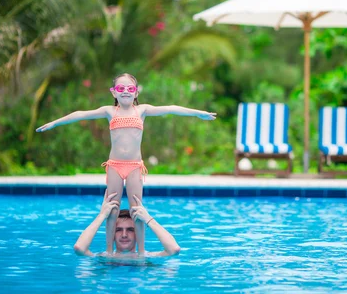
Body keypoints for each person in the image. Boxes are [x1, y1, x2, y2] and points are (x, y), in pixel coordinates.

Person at [37, 72, 215, 254]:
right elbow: (81, 114)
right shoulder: (109, 111)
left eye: (130, 89)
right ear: (113, 92)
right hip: (114, 165)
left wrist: (198, 114)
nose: (126, 92)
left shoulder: (142, 110)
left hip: (134, 167)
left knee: (137, 209)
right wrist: (54, 123)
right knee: (112, 209)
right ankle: (108, 250)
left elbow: (170, 108)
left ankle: (141, 251)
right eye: (121, 88)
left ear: (136, 93)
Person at [74, 191, 181, 257]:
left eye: (130, 230)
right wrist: (101, 215)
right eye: (118, 230)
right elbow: (79, 248)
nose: (124, 235)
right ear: (112, 233)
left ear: (137, 233)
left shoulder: (146, 256)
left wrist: (148, 219)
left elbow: (174, 250)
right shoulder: (105, 257)